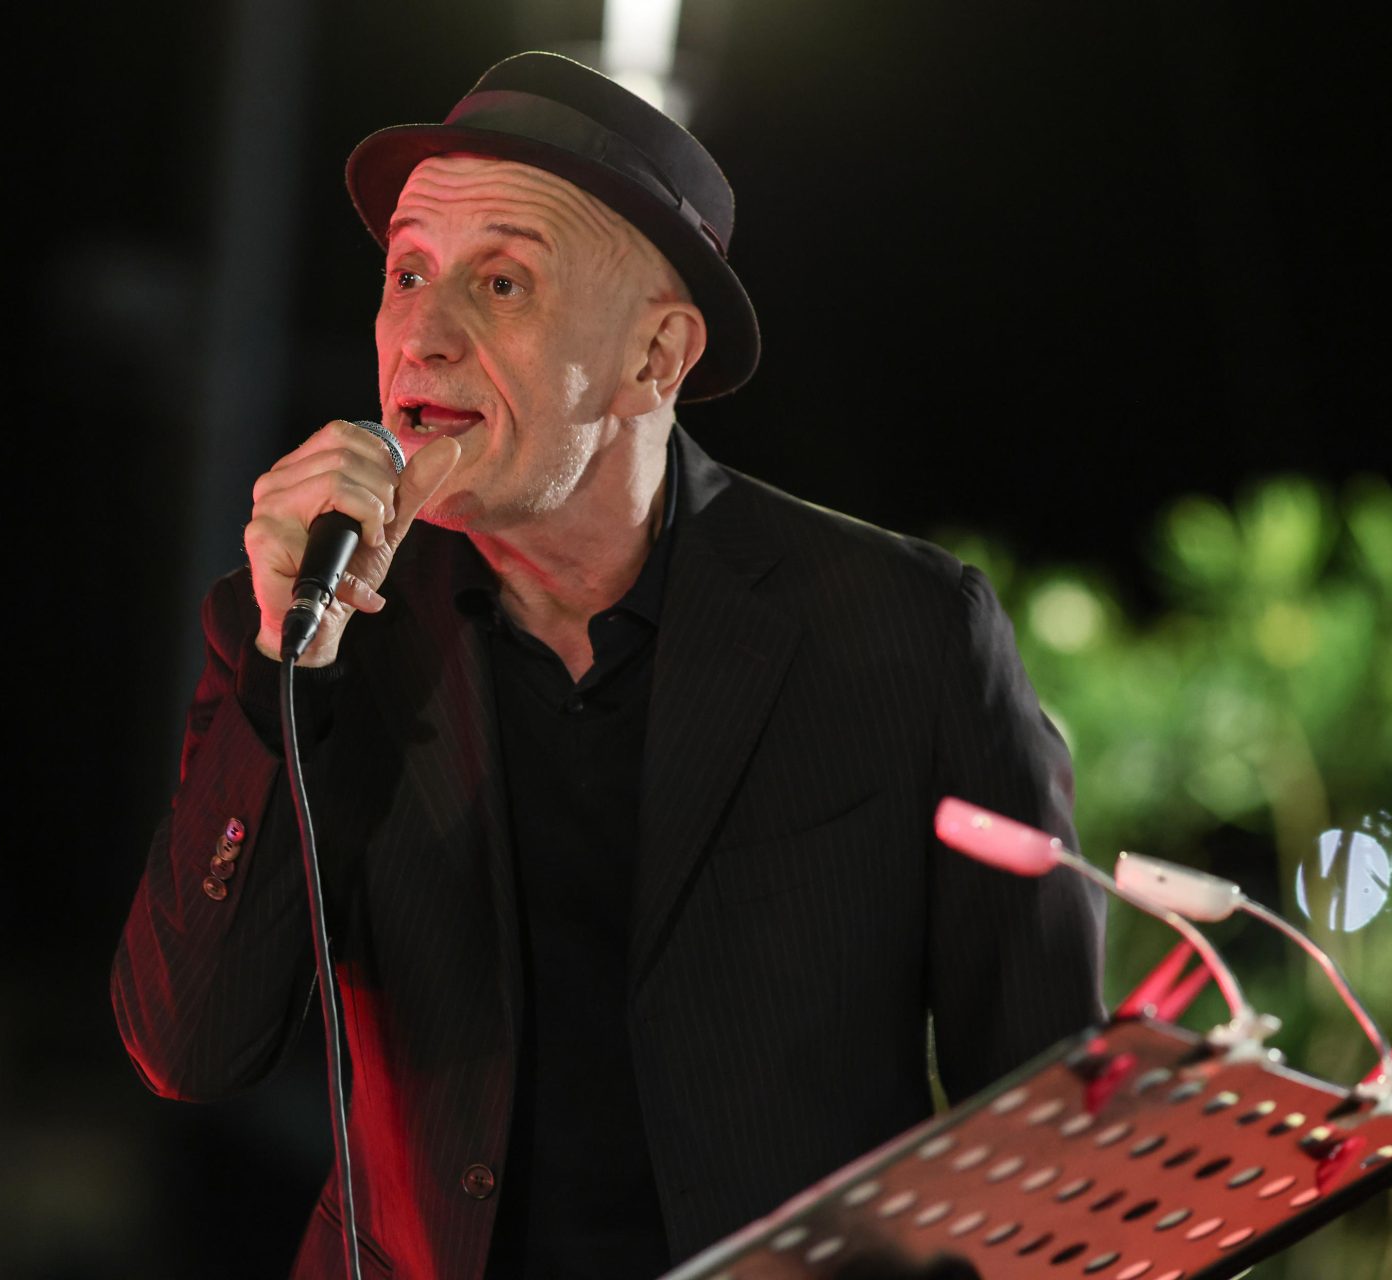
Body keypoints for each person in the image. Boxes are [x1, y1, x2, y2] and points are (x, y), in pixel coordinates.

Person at [112, 51, 1104, 1280]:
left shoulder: (902, 631)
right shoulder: (320, 626)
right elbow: (188, 1047)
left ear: (655, 358)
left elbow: (1053, 1115)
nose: (423, 333)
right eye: (407, 272)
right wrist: (288, 662)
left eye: (503, 281)